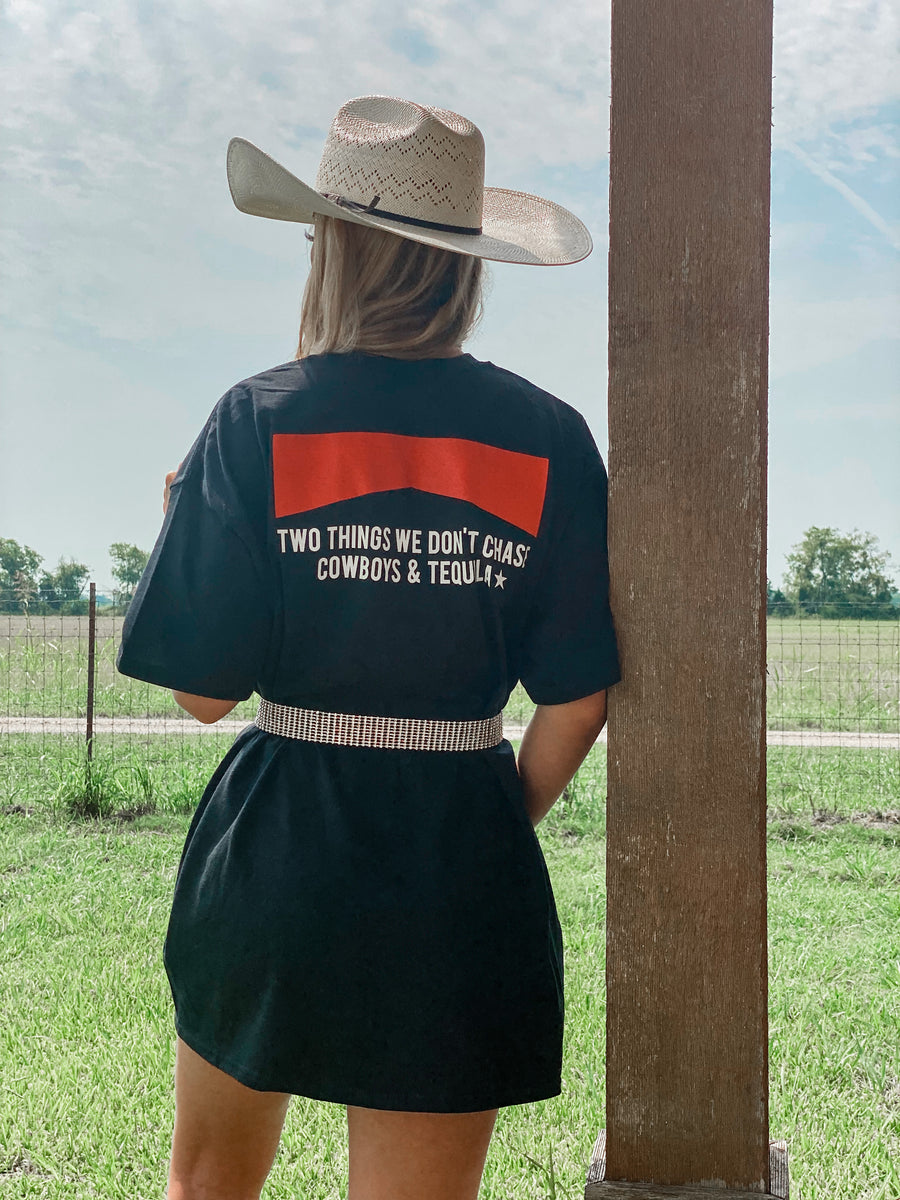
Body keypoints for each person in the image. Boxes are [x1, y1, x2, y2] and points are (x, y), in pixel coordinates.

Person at [117, 94, 621, 1200]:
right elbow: (578, 701)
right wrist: (484, 813)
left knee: (209, 1188)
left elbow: (204, 696)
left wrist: (183, 520)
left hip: (275, 857)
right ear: (466, 266)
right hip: (459, 866)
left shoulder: (257, 417)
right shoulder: (550, 436)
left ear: (333, 248)